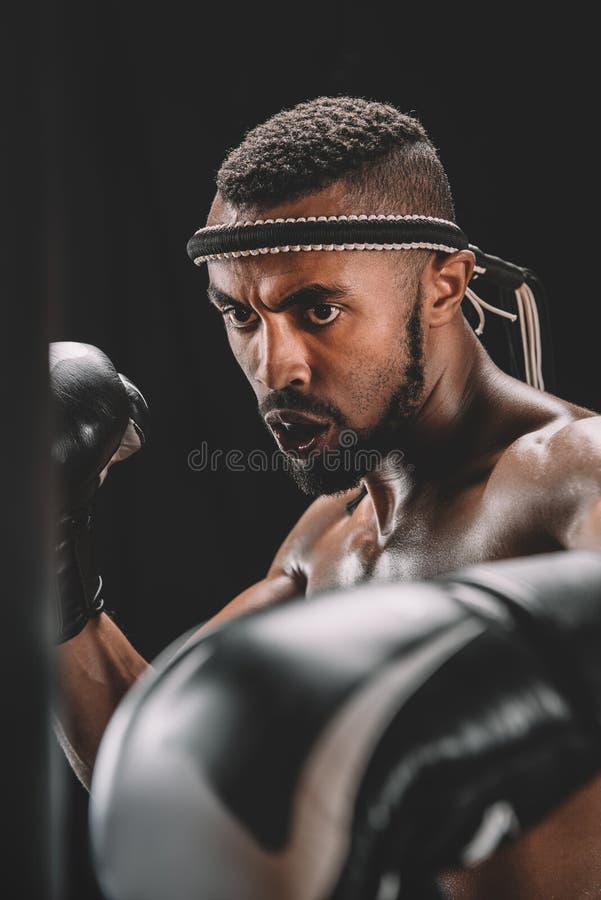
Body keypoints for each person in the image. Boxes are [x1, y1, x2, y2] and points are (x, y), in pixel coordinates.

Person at [54, 97, 601, 897]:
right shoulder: (324, 543)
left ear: (444, 287)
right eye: (240, 315)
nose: (276, 368)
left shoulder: (571, 471)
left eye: (319, 309)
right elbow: (162, 769)